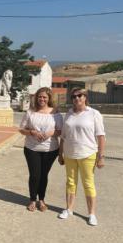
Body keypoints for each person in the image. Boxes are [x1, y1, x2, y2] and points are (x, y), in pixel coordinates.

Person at [58, 87, 106, 226]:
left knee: (88, 184)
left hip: (87, 154)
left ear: (85, 97)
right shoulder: (69, 114)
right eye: (74, 96)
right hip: (69, 154)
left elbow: (101, 136)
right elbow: (64, 136)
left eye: (80, 95)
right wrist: (60, 153)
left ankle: (91, 214)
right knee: (70, 182)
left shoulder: (94, 114)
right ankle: (69, 209)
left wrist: (101, 156)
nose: (77, 98)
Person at [19, 87, 63, 212]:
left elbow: (61, 131)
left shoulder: (56, 113)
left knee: (44, 175)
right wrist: (32, 132)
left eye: (44, 97)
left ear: (49, 98)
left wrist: (51, 133)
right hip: (32, 148)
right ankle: (33, 200)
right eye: (40, 97)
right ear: (36, 98)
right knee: (34, 175)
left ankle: (42, 200)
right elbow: (21, 129)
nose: (41, 99)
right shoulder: (30, 112)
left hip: (51, 150)